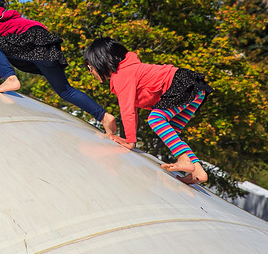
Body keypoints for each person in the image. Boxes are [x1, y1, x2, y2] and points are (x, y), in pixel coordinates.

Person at [0, 0, 117, 135]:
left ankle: (11, 79)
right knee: (65, 91)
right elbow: (4, 55)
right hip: (47, 46)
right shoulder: (4, 21)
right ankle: (103, 116)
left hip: (32, 40)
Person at [83, 37, 212, 185]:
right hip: (195, 89)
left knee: (155, 119)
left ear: (101, 60)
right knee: (171, 132)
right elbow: (134, 110)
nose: (90, 71)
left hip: (182, 85)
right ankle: (196, 170)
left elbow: (127, 110)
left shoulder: (122, 76)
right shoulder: (130, 70)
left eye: (89, 66)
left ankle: (183, 158)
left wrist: (130, 141)